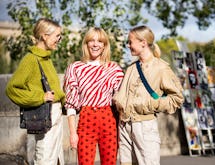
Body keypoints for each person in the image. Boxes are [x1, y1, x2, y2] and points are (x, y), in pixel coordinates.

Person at [113, 25, 184, 165]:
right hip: (124, 126)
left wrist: (152, 104)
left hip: (144, 127)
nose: (128, 45)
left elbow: (177, 98)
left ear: (143, 43)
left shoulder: (161, 68)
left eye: (130, 41)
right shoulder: (131, 68)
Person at [5, 18, 65, 164]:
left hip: (55, 114)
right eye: (57, 35)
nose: (59, 39)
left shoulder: (47, 59)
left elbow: (55, 90)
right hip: (45, 114)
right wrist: (40, 97)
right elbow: (11, 89)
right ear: (44, 36)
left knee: (56, 157)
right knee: (45, 158)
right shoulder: (31, 59)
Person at [63, 27, 124, 165]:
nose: (95, 44)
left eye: (100, 41)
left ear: (104, 45)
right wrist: (73, 133)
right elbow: (71, 104)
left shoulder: (114, 69)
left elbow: (121, 102)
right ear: (86, 43)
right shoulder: (75, 68)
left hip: (109, 120)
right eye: (92, 40)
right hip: (86, 120)